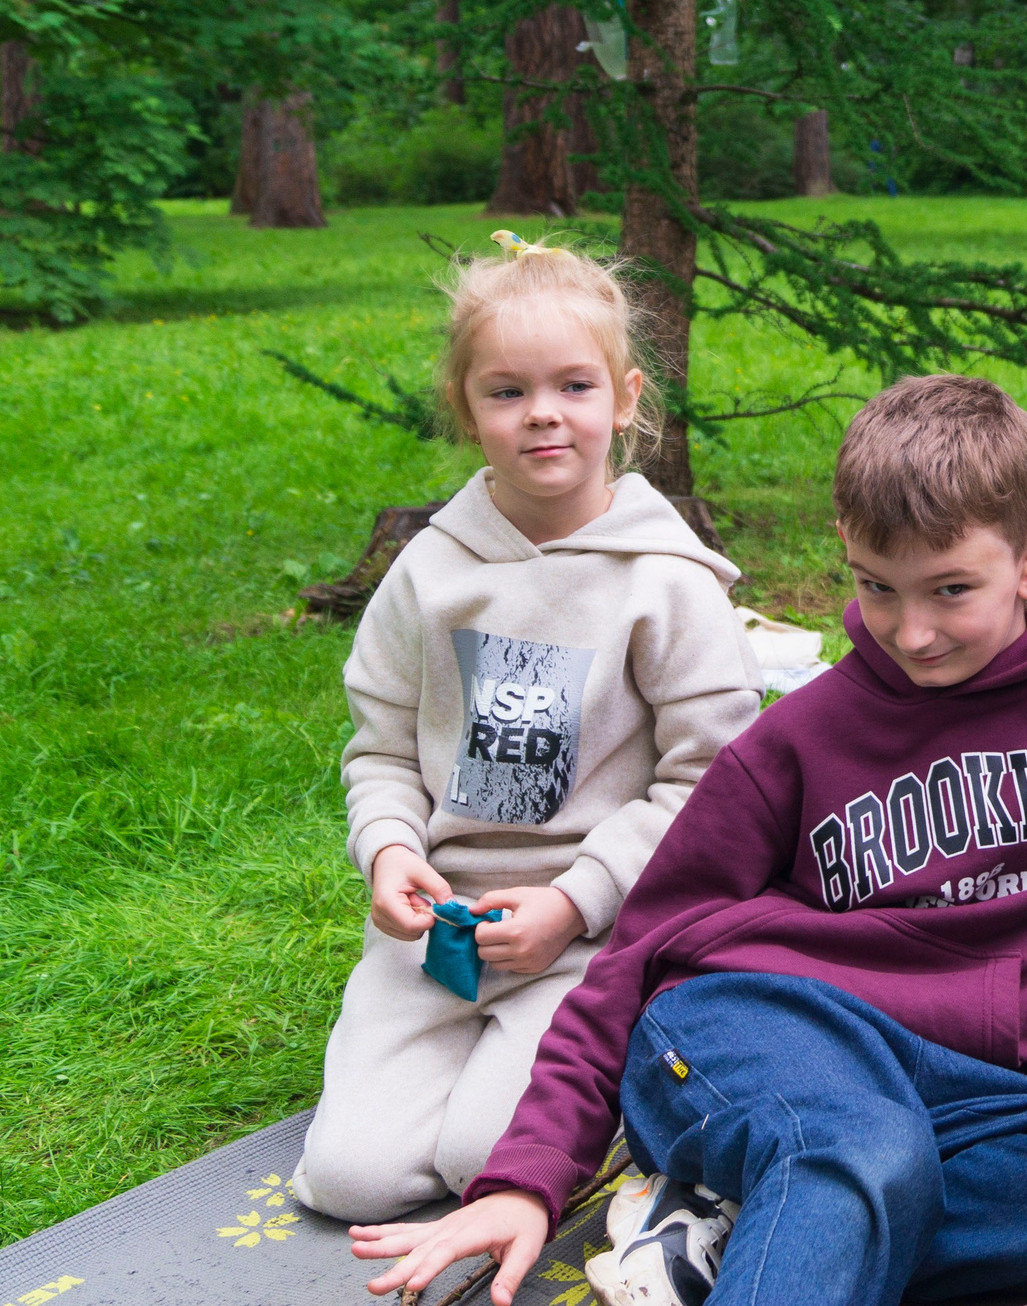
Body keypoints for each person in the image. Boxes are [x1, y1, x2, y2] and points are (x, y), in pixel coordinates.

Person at [351, 375, 1027, 1306]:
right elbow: (637, 952)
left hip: (1008, 1101)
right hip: (773, 1026)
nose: (910, 632)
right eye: (875, 587)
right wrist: (524, 1177)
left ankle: (737, 1230)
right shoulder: (796, 743)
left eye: (952, 590)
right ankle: (797, 1199)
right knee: (859, 1150)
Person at [293, 233, 763, 1222]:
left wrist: (575, 901)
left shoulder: (665, 583)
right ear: (467, 410)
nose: (543, 412)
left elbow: (707, 785)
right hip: (440, 936)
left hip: (587, 941)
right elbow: (378, 748)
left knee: (483, 1160)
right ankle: (464, 1071)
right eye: (506, 392)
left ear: (626, 399)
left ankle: (622, 1089)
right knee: (349, 1180)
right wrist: (387, 852)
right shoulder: (430, 571)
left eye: (574, 386)